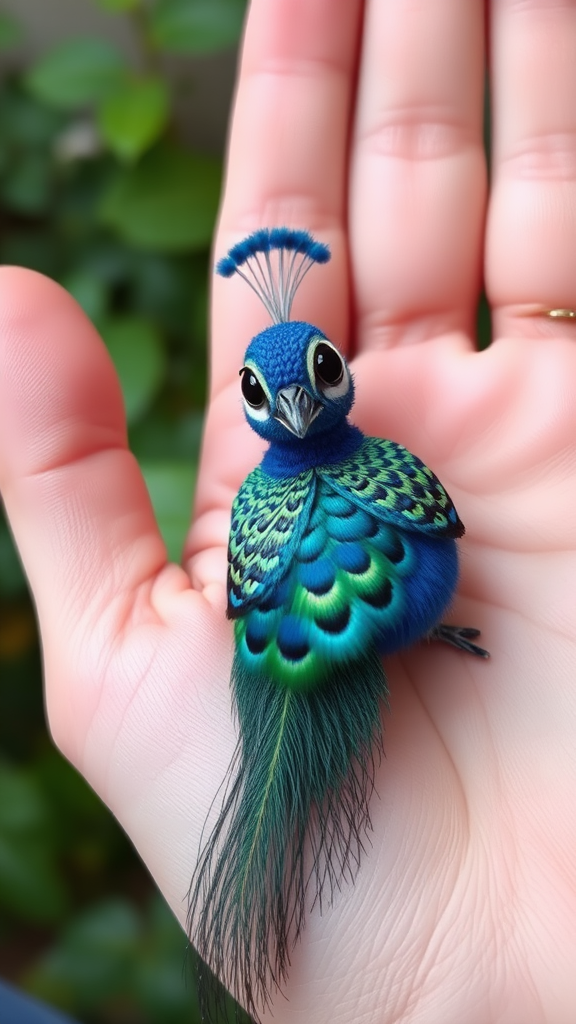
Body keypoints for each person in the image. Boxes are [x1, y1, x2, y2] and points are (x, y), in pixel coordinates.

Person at [1, 0, 576, 1020]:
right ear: (258, 408)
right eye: (276, 395)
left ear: (335, 371)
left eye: (313, 375)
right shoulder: (293, 497)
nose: (301, 400)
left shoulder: (388, 465)